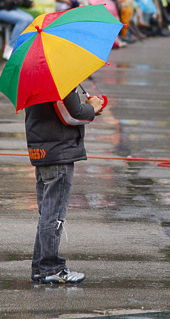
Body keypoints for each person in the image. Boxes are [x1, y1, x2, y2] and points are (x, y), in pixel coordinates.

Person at [25, 85, 104, 284]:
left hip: (44, 151)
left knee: (47, 213)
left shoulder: (37, 80)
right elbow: (70, 114)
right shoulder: (60, 82)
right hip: (58, 153)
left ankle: (40, 267)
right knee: (55, 214)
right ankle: (51, 268)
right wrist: (92, 108)